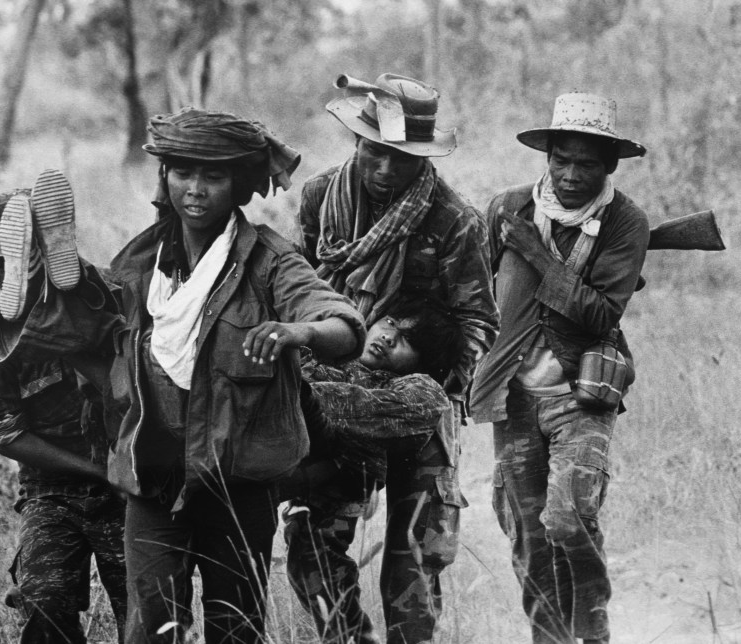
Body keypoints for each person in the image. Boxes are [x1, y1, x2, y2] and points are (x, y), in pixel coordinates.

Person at [102, 108, 366, 644]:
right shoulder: (139, 261)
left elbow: (342, 324)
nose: (195, 189)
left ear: (240, 185)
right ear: (166, 176)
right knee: (151, 628)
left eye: (214, 176)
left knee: (236, 629)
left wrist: (302, 333)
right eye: (182, 173)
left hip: (236, 486)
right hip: (154, 479)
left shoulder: (269, 261)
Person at [296, 72, 499, 644]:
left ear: (423, 158)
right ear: (357, 143)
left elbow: (478, 321)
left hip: (420, 394)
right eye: (374, 153)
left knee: (415, 557)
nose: (385, 170)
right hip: (333, 390)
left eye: (402, 160)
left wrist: (433, 389)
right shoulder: (318, 199)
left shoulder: (454, 220)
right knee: (312, 545)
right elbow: (302, 290)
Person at [468, 92, 650, 644]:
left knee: (569, 519)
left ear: (609, 166)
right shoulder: (508, 207)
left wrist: (537, 255)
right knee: (528, 537)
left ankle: (591, 629)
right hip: (514, 397)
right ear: (546, 157)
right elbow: (473, 292)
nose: (570, 175)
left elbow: (599, 315)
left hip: (582, 394)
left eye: (586, 164)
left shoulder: (625, 222)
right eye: (560, 160)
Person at [0, 188, 127, 644]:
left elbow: (148, 391)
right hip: (53, 489)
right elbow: (6, 433)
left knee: (149, 609)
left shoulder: (111, 295)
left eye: (13, 261)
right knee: (44, 599)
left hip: (133, 476)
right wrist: (97, 471)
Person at [283, 299, 465, 644]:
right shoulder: (326, 351)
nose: (388, 337)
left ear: (424, 362)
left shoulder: (421, 389)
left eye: (408, 341)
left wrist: (300, 392)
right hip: (309, 472)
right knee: (307, 559)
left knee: (398, 571)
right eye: (391, 321)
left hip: (349, 475)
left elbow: (384, 409)